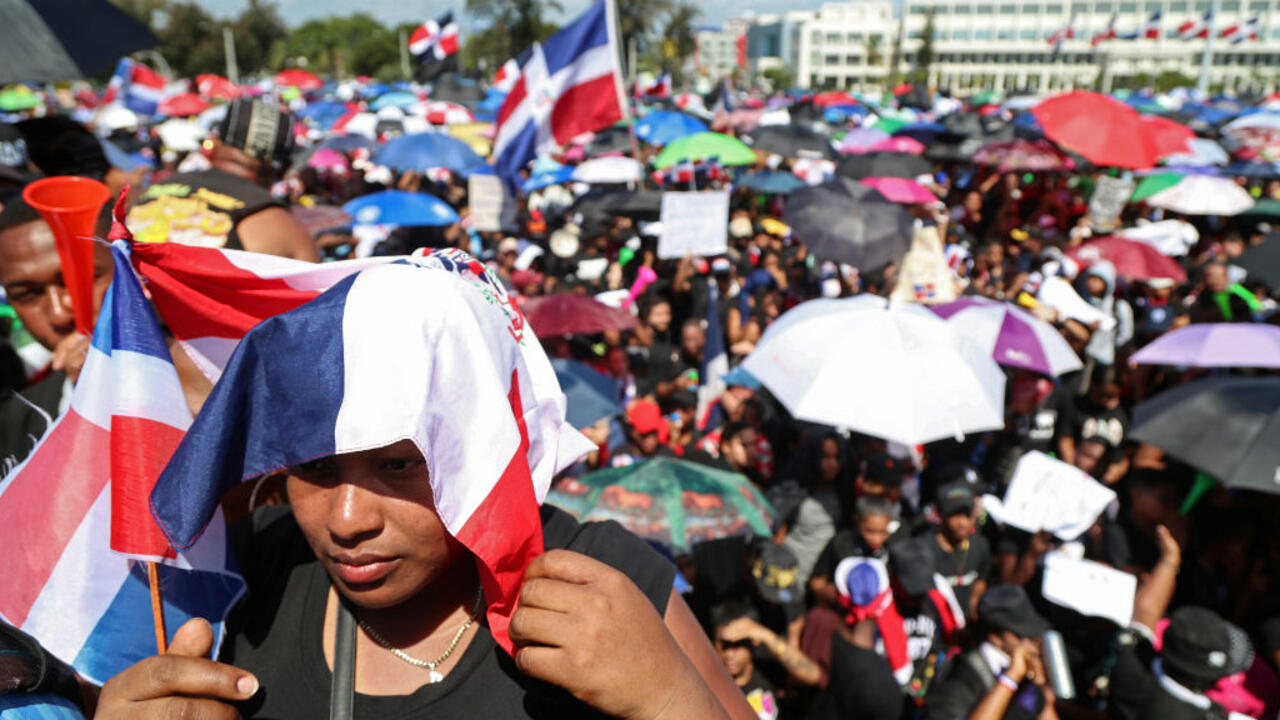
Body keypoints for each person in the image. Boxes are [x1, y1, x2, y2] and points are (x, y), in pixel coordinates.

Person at [90, 259, 752, 719]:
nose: (347, 520)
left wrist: (670, 698)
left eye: (399, 466)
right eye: (315, 469)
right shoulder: (243, 575)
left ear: (478, 446)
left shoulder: (597, 578)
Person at [125, 98, 318, 260]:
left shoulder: (150, 193)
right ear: (284, 169)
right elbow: (316, 291)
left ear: (214, 145)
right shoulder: (275, 224)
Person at [923, 584, 1058, 720]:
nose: (1032, 642)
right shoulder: (960, 677)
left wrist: (1041, 688)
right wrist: (1011, 677)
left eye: (1034, 635)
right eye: (1021, 635)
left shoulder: (1026, 678)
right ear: (996, 638)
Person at [927, 482, 991, 620]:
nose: (963, 522)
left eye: (968, 515)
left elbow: (979, 586)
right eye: (955, 515)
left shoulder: (980, 545)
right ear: (941, 514)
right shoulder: (925, 550)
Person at [711, 603, 781, 720]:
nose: (729, 654)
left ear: (753, 642)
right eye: (724, 645)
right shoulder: (707, 683)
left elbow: (812, 675)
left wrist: (766, 635)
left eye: (738, 644)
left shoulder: (770, 672)